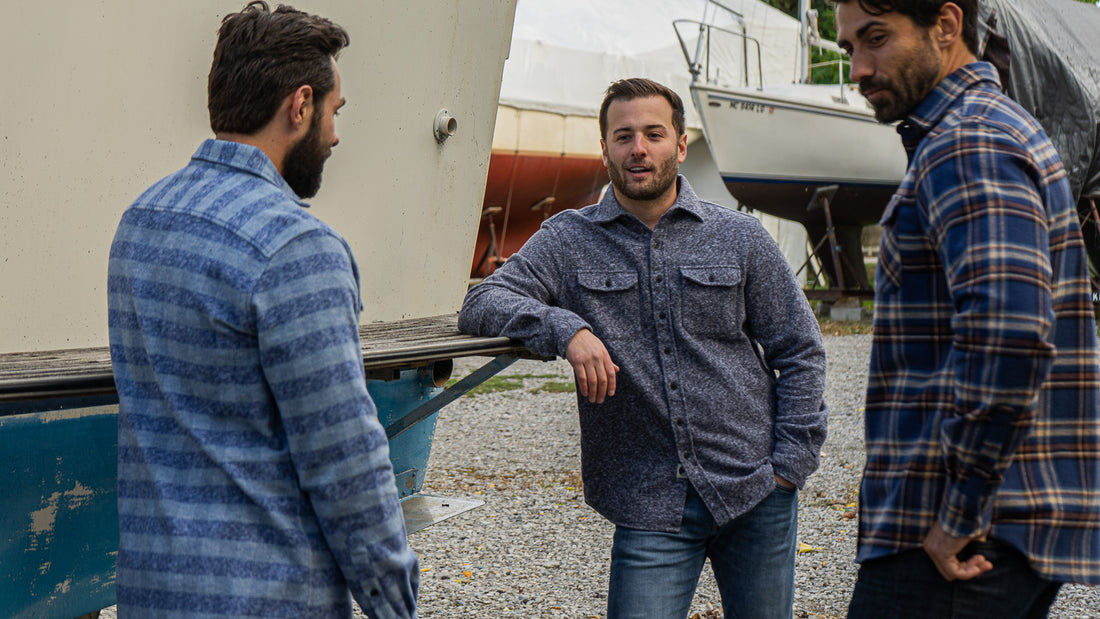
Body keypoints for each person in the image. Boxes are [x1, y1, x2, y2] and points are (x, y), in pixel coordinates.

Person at [458, 78, 828, 619]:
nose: (639, 149)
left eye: (654, 134)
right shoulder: (568, 239)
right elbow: (482, 302)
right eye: (623, 135)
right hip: (648, 499)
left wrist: (789, 465)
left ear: (679, 145)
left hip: (755, 490)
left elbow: (800, 349)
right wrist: (567, 328)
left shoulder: (741, 237)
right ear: (603, 147)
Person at [107, 3, 418, 617]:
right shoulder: (297, 248)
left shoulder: (140, 221)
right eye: (334, 113)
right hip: (265, 596)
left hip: (152, 590)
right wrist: (393, 601)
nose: (334, 136)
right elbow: (344, 462)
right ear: (300, 106)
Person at [832, 1, 1100, 617]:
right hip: (996, 530)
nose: (859, 69)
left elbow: (1011, 332)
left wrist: (958, 512)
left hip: (958, 540)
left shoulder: (967, 140)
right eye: (849, 48)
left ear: (946, 26)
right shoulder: (995, 127)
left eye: (876, 39)